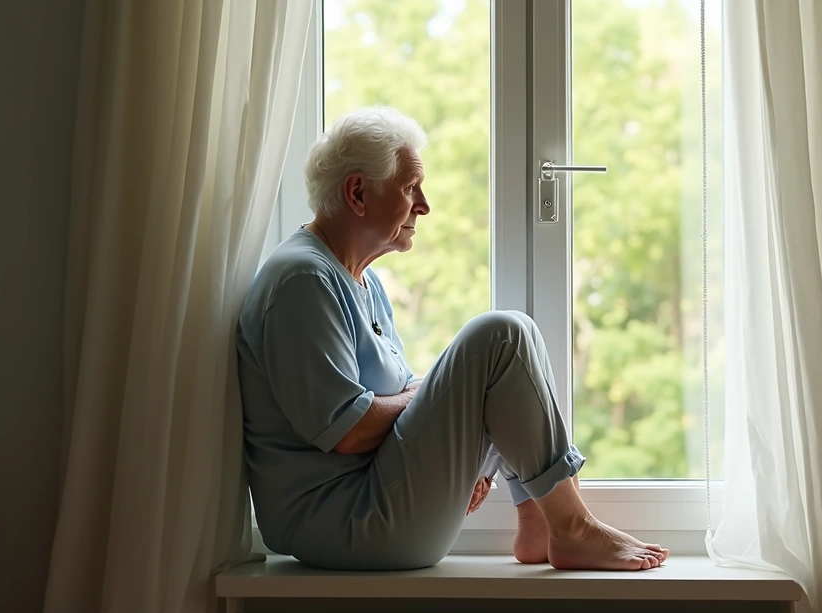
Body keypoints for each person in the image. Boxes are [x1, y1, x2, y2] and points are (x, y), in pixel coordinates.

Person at [236, 105, 668, 571]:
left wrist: (450, 444)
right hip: (347, 523)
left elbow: (388, 405)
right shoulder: (302, 280)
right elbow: (349, 430)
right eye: (409, 187)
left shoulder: (360, 280)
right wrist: (430, 396)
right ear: (357, 193)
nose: (423, 205)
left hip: (377, 497)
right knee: (500, 335)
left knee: (519, 342)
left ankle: (541, 523)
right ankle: (573, 528)